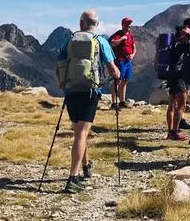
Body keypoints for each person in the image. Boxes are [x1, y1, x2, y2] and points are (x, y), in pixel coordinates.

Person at [55, 10, 120, 194]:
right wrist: (116, 74)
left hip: (71, 91)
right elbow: (113, 69)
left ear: (81, 23)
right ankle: (72, 178)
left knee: (79, 132)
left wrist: (62, 83)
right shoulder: (101, 41)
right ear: (96, 24)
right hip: (90, 92)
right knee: (81, 134)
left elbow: (58, 65)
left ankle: (86, 166)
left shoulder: (69, 40)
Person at [165, 17, 190, 141]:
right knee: (181, 105)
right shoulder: (183, 43)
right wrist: (189, 36)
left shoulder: (173, 41)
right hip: (180, 76)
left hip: (171, 75)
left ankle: (170, 131)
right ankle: (175, 132)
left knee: (171, 104)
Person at [108, 17, 136, 108]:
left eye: (129, 24)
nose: (129, 26)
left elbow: (134, 47)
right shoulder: (118, 34)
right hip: (120, 60)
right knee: (117, 80)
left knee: (125, 80)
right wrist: (121, 39)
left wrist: (132, 55)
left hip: (128, 61)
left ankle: (122, 102)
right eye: (127, 24)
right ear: (122, 25)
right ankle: (114, 103)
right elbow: (112, 43)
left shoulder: (131, 36)